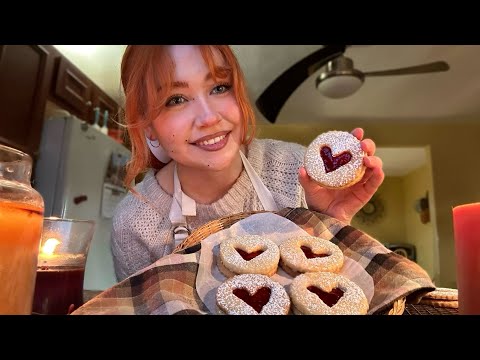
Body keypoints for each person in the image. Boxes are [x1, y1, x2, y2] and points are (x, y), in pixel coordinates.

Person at [111, 45, 384, 282]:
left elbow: (333, 294)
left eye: (219, 87)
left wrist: (331, 222)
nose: (209, 117)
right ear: (148, 128)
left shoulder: (297, 171)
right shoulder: (134, 226)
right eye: (176, 99)